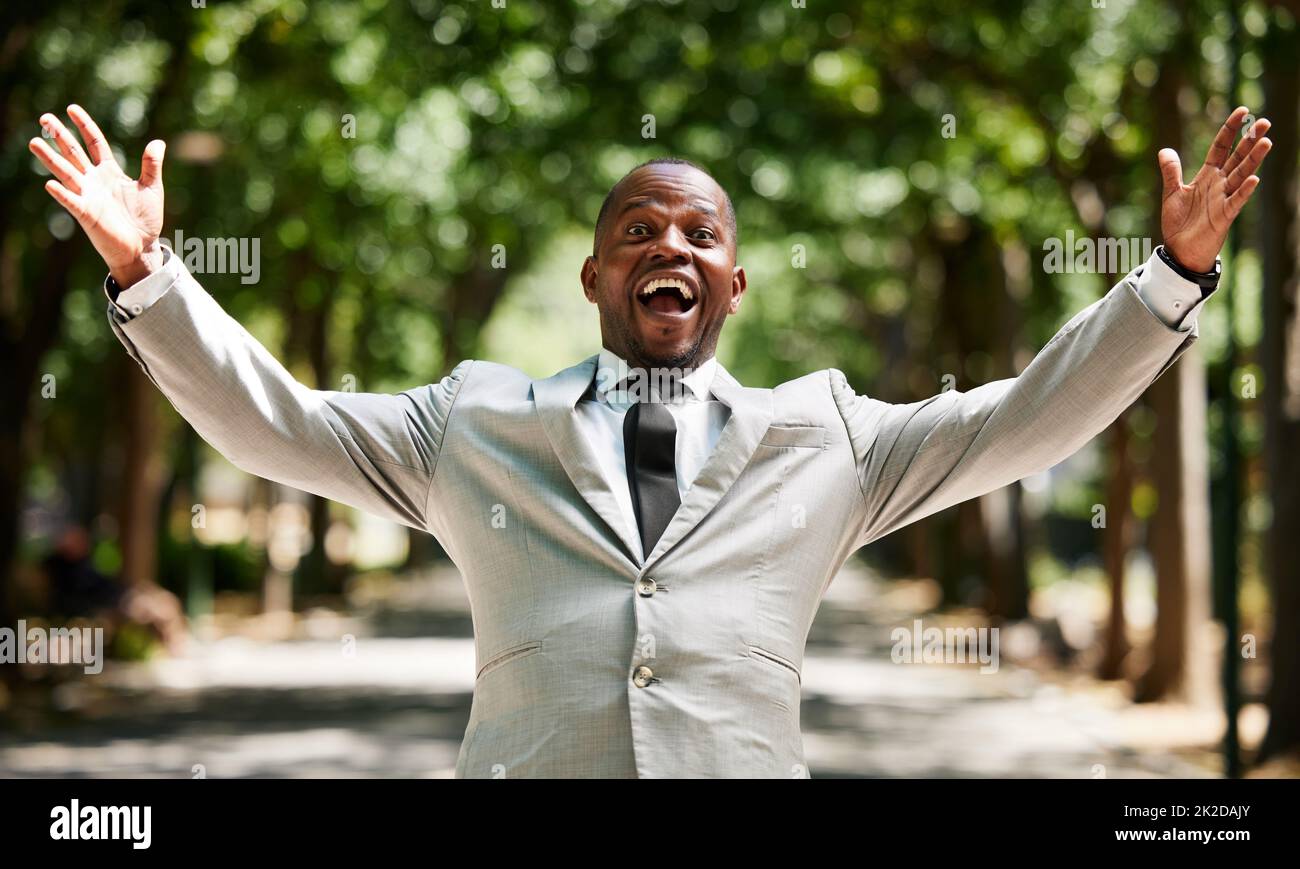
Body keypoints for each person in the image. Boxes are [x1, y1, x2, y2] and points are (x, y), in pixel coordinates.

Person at [29, 105, 1271, 778]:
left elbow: (1020, 418)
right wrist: (152, 277)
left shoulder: (828, 434)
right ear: (590, 274)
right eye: (637, 227)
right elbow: (277, 420)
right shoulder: (469, 421)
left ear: (730, 285)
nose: (667, 245)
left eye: (696, 233)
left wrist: (1163, 277)